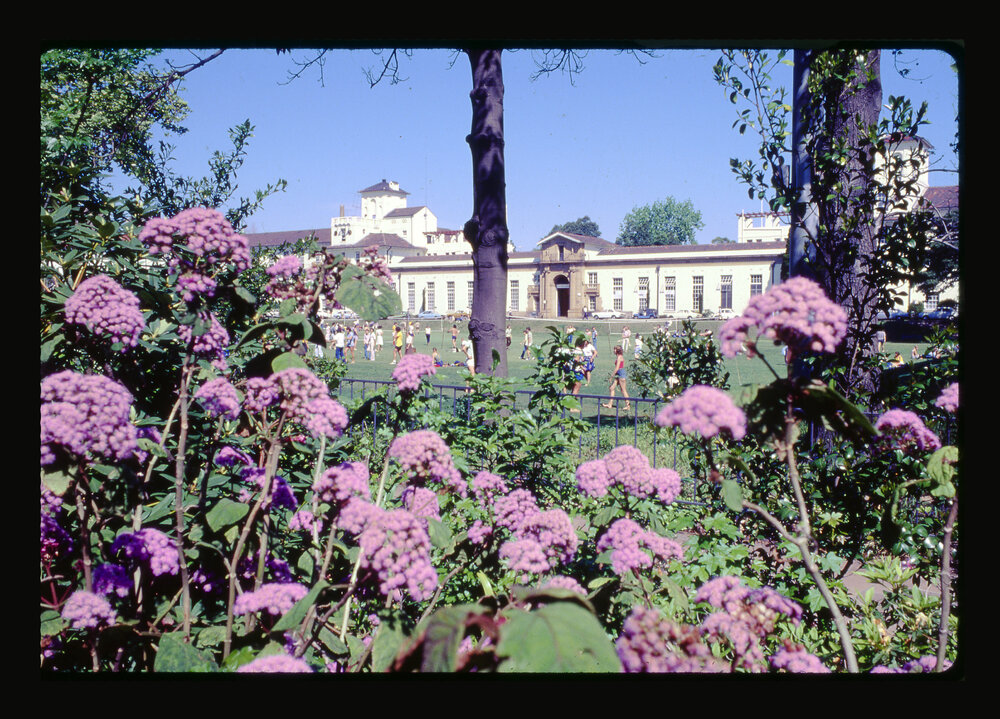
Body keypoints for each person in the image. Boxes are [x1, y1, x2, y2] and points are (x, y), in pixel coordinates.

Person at [602, 345, 631, 411]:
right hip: (618, 374)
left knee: (623, 390)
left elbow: (617, 368)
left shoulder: (619, 357)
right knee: (612, 388)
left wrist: (611, 376)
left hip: (621, 374)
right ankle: (610, 404)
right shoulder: (618, 357)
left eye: (614, 349)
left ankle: (628, 406)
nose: (613, 350)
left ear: (617, 350)